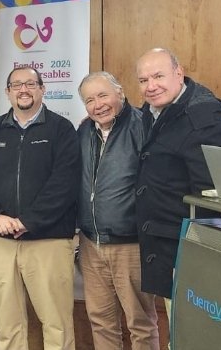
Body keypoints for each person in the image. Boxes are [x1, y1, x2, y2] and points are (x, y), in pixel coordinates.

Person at [0, 66, 80, 350]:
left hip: (48, 242)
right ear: (8, 92)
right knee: (8, 324)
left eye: (30, 84)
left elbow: (64, 183)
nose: (23, 90)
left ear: (42, 89)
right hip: (2, 242)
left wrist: (29, 221)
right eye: (16, 85)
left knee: (56, 323)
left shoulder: (61, 129)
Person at [134, 48, 221, 303]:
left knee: (191, 322)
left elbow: (211, 198)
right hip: (161, 240)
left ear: (179, 73)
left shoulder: (204, 119)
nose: (151, 86)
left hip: (188, 250)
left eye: (158, 76)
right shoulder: (153, 111)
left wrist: (203, 262)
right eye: (143, 80)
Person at [76, 71, 159, 350]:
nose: (97, 105)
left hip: (130, 244)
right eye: (90, 100)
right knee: (101, 321)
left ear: (120, 93)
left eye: (103, 95)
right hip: (91, 243)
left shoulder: (143, 127)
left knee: (140, 323)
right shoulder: (84, 131)